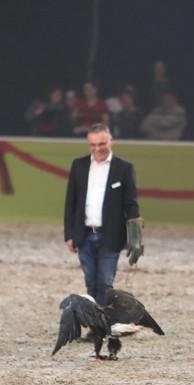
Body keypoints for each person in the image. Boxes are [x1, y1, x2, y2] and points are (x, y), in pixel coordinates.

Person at [63, 123, 141, 306]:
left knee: (105, 283)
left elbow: (131, 204)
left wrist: (136, 237)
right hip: (84, 235)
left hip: (111, 236)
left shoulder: (124, 168)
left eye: (102, 144)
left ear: (111, 141)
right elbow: (70, 203)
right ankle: (96, 326)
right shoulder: (79, 166)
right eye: (93, 145)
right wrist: (69, 235)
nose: (97, 149)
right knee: (91, 284)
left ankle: (102, 328)